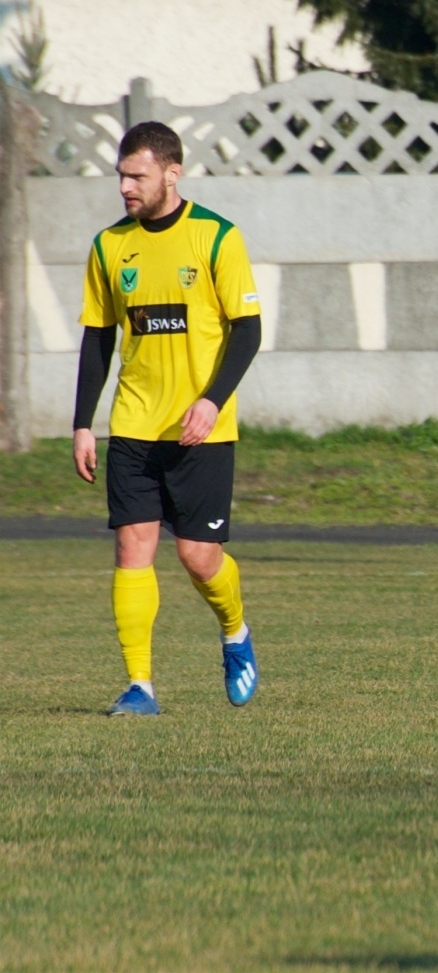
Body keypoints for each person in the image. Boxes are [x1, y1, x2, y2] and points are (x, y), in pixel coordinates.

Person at [72, 121, 264, 716]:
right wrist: (84, 421)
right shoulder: (109, 246)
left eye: (138, 175)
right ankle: (140, 686)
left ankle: (234, 631)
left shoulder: (216, 238)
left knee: (197, 558)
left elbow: (248, 331)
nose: (126, 187)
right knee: (133, 550)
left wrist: (211, 400)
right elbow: (99, 337)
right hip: (132, 424)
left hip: (199, 428)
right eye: (121, 176)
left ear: (171, 173)